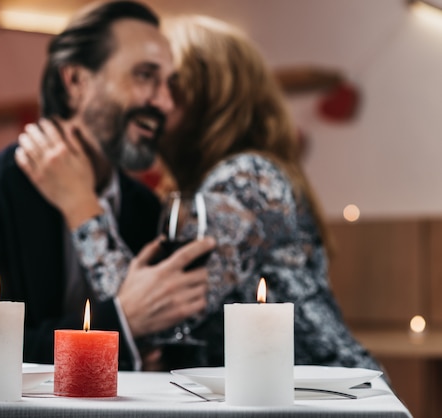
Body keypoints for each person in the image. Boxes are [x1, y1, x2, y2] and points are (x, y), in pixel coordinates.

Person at [19, 14, 382, 372]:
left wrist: (79, 203)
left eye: (173, 85)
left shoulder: (247, 179)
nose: (157, 101)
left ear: (213, 95)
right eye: (149, 80)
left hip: (324, 399)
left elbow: (156, 311)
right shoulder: (211, 185)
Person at [0, 0, 215, 371]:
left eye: (169, 84)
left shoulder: (146, 208)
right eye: (144, 75)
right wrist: (123, 323)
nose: (165, 102)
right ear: (75, 81)